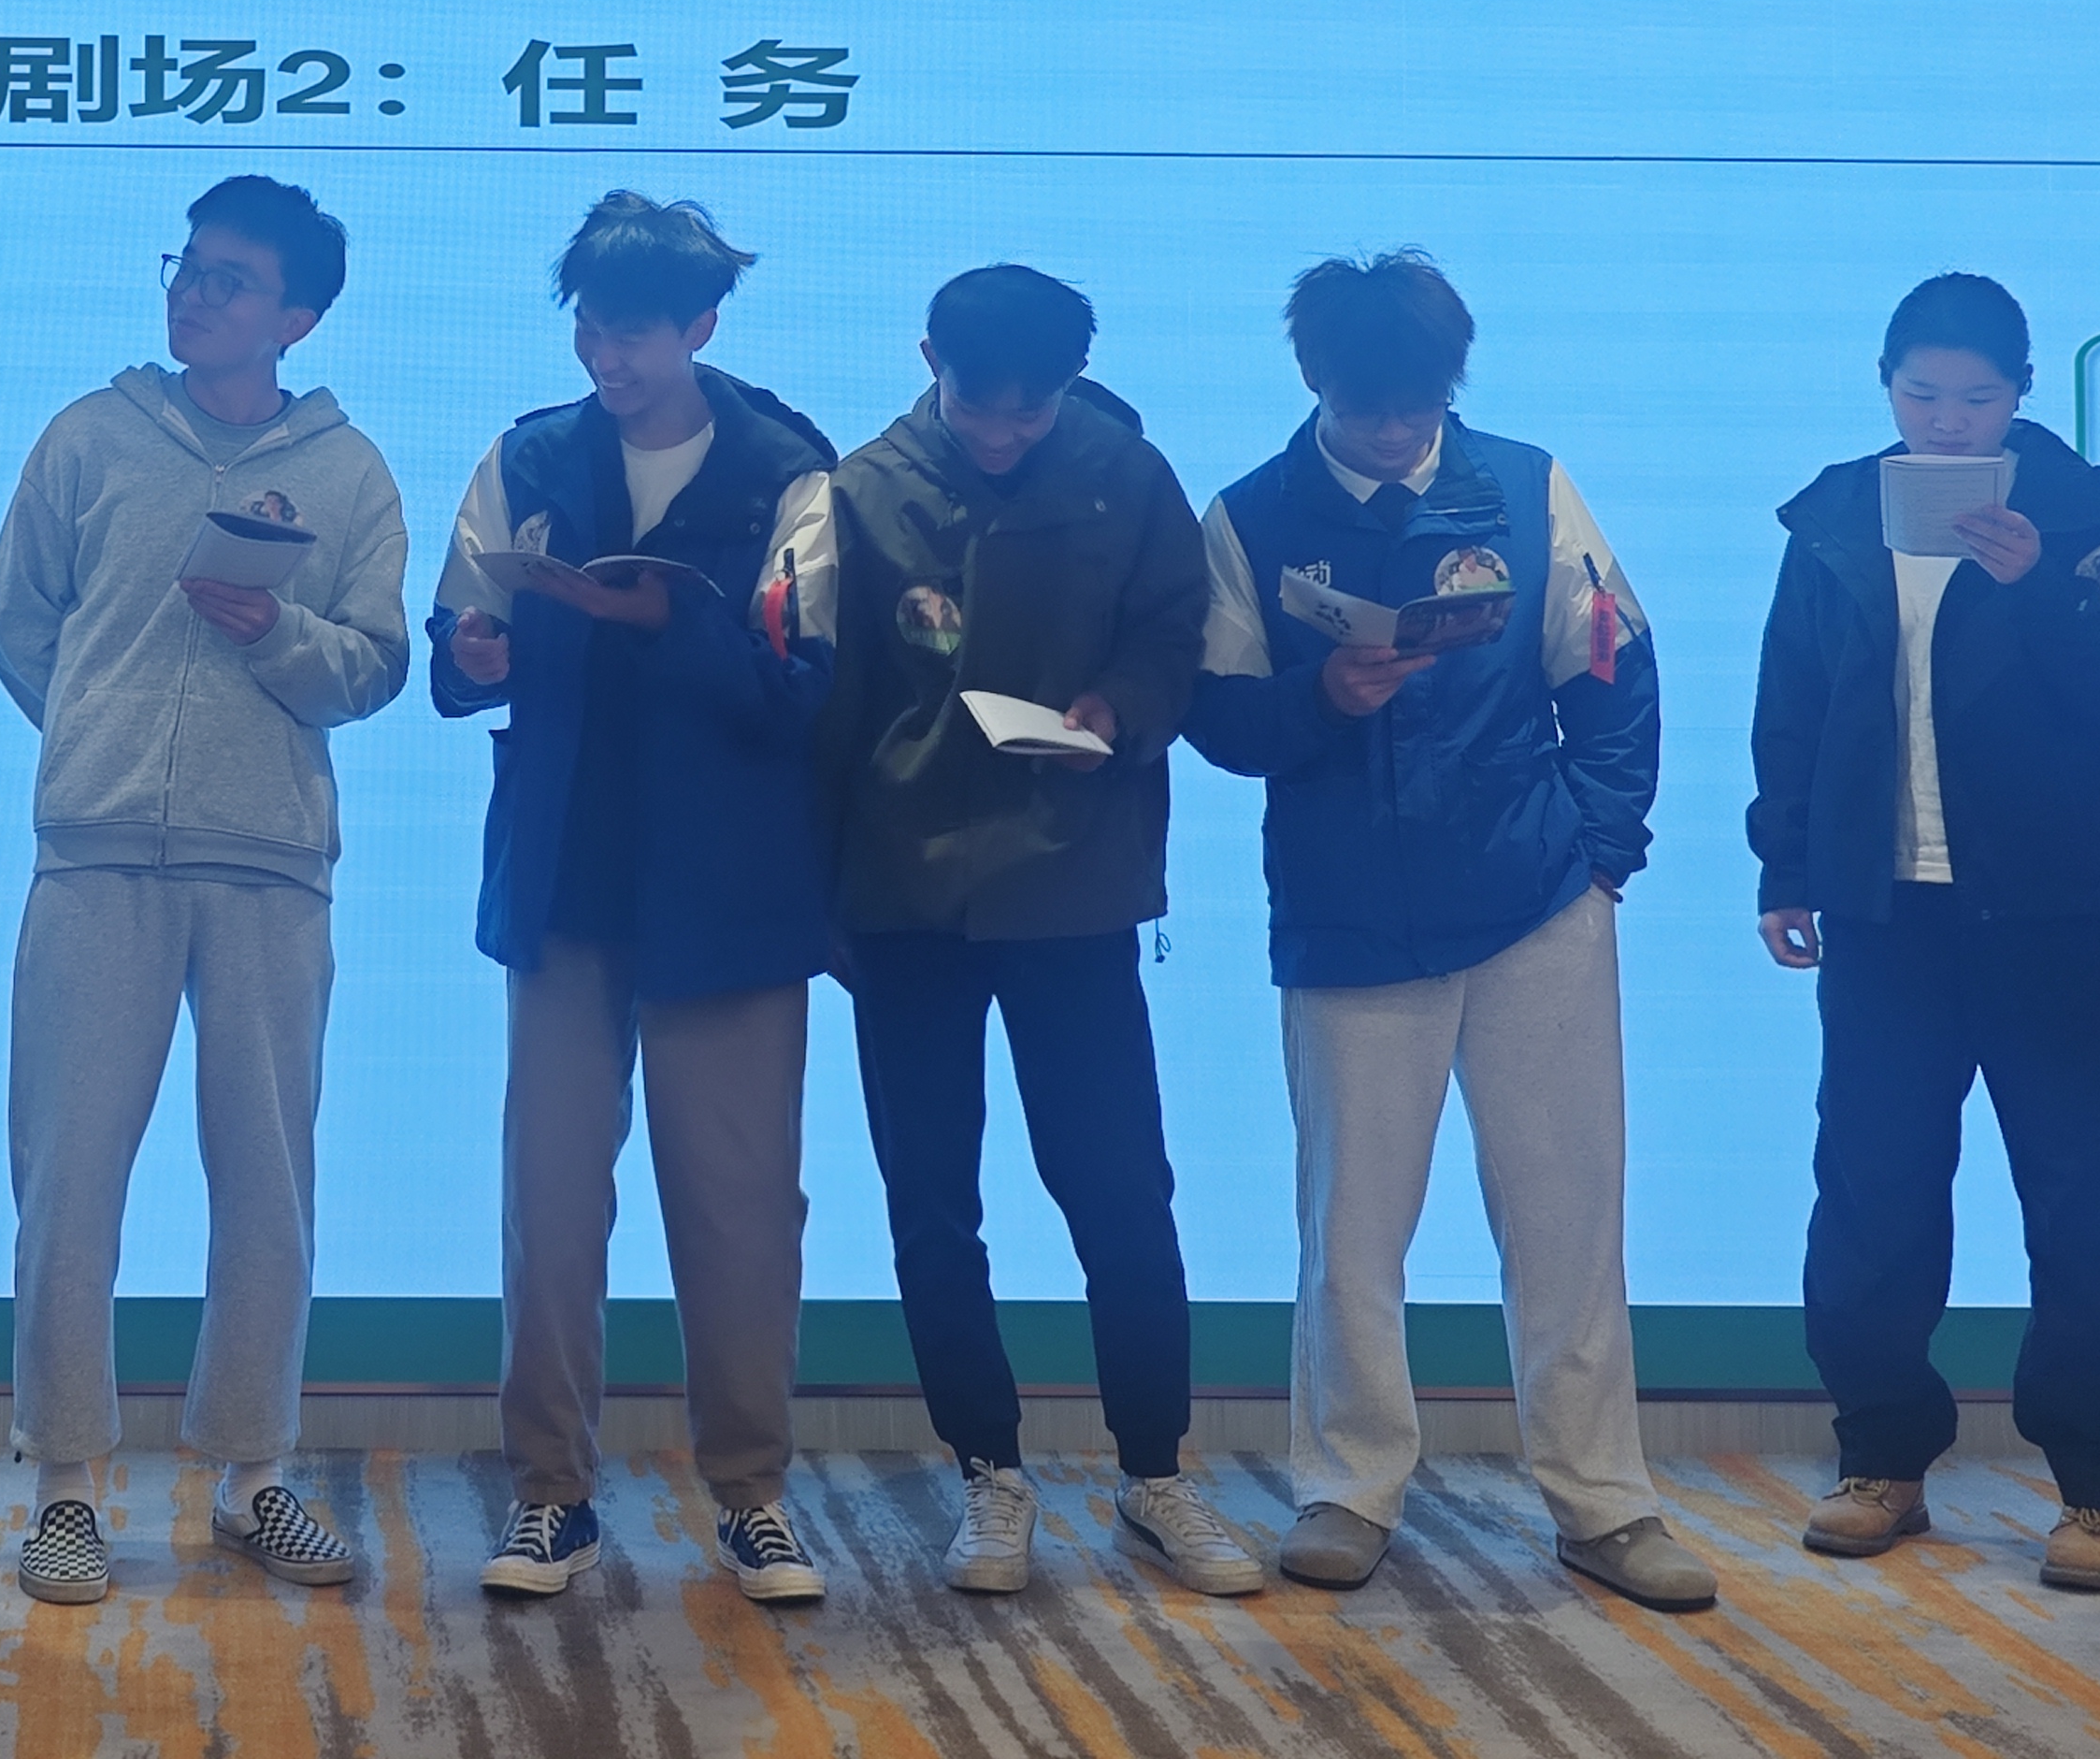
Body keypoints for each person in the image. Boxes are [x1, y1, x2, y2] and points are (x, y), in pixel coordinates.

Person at [1183, 251, 1714, 1610]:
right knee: (1351, 1229)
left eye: (1417, 406)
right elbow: (1217, 716)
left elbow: (1615, 673)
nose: (1394, 431)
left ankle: (1604, 1501)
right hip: (1349, 919)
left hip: (1537, 901)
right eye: (1368, 408)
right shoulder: (1249, 516)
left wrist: (1602, 857)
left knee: (1569, 1213)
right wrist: (1323, 698)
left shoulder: (1528, 489)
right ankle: (1349, 1487)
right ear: (1316, 381)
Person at [0, 175, 410, 1606]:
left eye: (231, 280)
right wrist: (96, 741)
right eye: (187, 266)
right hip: (96, 856)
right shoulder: (88, 436)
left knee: (267, 1186)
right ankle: (65, 1489)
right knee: (67, 1181)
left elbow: (372, 668)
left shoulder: (350, 472)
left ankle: (252, 1475)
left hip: (271, 863)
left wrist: (273, 633)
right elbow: (18, 625)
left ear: (297, 317)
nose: (195, 294)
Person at [811, 265, 1262, 1602]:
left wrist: (1118, 709)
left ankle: (1156, 1471)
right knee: (931, 1199)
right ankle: (988, 1475)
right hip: (907, 894)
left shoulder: (1128, 473)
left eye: (1032, 410)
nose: (1004, 433)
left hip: (1077, 883)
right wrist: (823, 898)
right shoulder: (862, 490)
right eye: (979, 407)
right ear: (928, 361)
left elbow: (1175, 635)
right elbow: (828, 706)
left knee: (1120, 1190)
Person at [432, 195, 842, 1608]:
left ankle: (753, 1496)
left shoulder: (788, 469)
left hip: (731, 880)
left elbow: (807, 687)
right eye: (591, 329)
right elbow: (461, 636)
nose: (608, 357)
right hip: (565, 866)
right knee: (550, 1197)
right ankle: (550, 1494)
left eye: (636, 334)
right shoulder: (528, 456)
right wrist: (475, 651)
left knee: (739, 1204)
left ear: (702, 326)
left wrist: (674, 622)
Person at [1748, 271, 2100, 1595]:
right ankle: (1882, 1460)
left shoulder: (2083, 509)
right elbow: (1791, 700)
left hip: (2052, 911)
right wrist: (1784, 866)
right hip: (1887, 910)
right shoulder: (1835, 513)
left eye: (1976, 397)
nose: (1946, 419)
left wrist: (2039, 586)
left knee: (2081, 1198)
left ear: (2021, 395)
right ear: (1886, 385)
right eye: (1922, 393)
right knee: (1873, 1189)